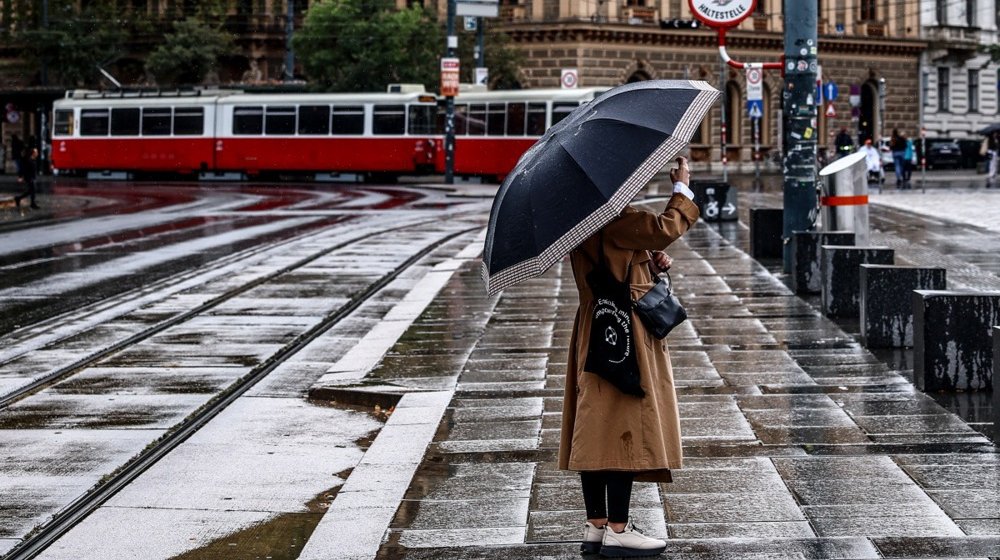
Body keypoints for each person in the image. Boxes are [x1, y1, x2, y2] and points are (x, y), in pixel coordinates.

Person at [562, 156, 699, 558]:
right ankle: (620, 528)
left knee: (595, 425)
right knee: (621, 423)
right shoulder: (614, 218)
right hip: (623, 330)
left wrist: (648, 261)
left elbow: (627, 258)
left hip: (595, 325)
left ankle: (597, 524)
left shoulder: (582, 220)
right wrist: (682, 188)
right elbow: (666, 227)